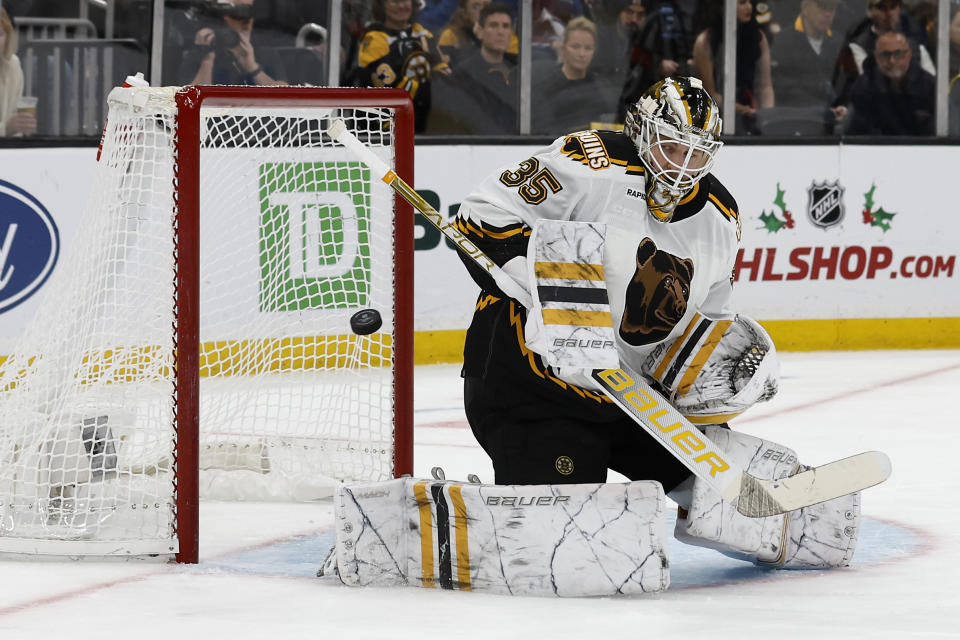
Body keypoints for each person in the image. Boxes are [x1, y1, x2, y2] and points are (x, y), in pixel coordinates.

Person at [351, 0, 450, 132]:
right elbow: (376, 84)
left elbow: (442, 72)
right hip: (384, 129)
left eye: (405, 0)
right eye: (395, 1)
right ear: (382, 6)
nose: (402, 6)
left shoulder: (422, 34)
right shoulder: (373, 38)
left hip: (427, 122)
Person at [428, 2, 517, 133]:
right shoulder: (463, 74)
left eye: (506, 26)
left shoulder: (520, 70)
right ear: (479, 32)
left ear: (511, 32)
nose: (500, 32)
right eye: (493, 25)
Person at [692, 0, 774, 135]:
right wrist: (741, 109)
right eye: (742, 3)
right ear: (724, 7)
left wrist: (768, 115)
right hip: (715, 117)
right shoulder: (705, 42)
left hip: (751, 111)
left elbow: (765, 86)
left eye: (749, 2)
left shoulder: (759, 38)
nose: (749, 7)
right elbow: (710, 94)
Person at [769, 0, 847, 133]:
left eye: (832, 9)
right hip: (794, 125)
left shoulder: (839, 44)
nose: (828, 14)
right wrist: (822, 111)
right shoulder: (783, 42)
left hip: (834, 127)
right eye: (823, 7)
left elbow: (846, 84)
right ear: (805, 7)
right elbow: (782, 89)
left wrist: (844, 107)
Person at [532, 17, 617, 133]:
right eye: (575, 47)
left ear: (594, 51)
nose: (582, 54)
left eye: (588, 48)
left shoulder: (603, 87)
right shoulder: (546, 88)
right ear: (563, 48)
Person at [180, 0, 288, 87]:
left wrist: (252, 68)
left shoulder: (266, 53)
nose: (246, 20)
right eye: (237, 13)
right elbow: (190, 101)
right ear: (223, 17)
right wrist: (207, 60)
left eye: (250, 12)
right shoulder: (201, 53)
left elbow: (285, 97)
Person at [846, 30, 934, 135]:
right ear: (876, 57)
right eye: (885, 55)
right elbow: (859, 132)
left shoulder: (929, 86)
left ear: (909, 55)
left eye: (898, 54)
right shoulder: (864, 86)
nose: (892, 61)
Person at [437, 0, 519, 68]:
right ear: (465, 13)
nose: (482, 10)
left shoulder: (505, 35)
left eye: (487, 5)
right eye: (475, 7)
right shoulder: (451, 35)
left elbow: (514, 65)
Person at [590, 0, 646, 87]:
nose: (634, 19)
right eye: (629, 12)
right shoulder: (599, 37)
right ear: (619, 13)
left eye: (640, 15)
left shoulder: (645, 41)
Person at [0, 8, 35, 137]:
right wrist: (5, 129)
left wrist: (20, 127)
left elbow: (14, 125)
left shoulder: (13, 65)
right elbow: (8, 128)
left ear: (8, 38)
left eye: (0, 35)